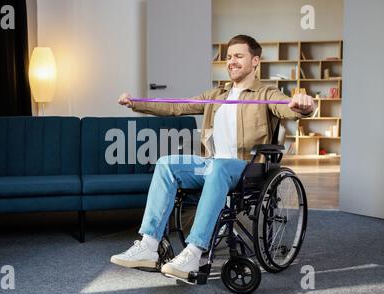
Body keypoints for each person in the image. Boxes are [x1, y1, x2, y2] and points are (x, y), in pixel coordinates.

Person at [111, 35, 315, 281]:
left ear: (255, 60)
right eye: (229, 57)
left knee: (218, 166)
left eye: (238, 56)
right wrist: (136, 103)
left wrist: (304, 104)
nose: (231, 61)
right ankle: (149, 245)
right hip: (212, 165)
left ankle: (194, 252)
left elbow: (290, 107)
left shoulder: (267, 93)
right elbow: (177, 106)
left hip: (248, 168)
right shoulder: (216, 94)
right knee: (166, 163)